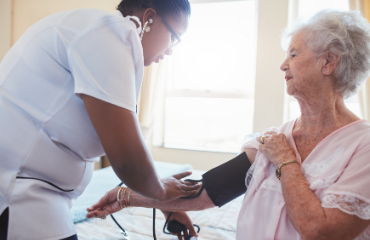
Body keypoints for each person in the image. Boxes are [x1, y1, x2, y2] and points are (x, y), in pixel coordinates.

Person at [87, 10, 370, 240]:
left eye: (294, 54)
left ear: (329, 62)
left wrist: (285, 159)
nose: (283, 65)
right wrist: (127, 196)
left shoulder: (363, 146)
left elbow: (321, 232)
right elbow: (206, 191)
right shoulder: (273, 139)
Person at [0, 0, 201, 239]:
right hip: (19, 188)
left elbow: (124, 136)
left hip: (39, 189)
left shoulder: (108, 37)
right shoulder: (106, 35)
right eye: (174, 37)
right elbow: (127, 158)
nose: (170, 50)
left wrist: (157, 195)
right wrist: (160, 192)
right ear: (149, 19)